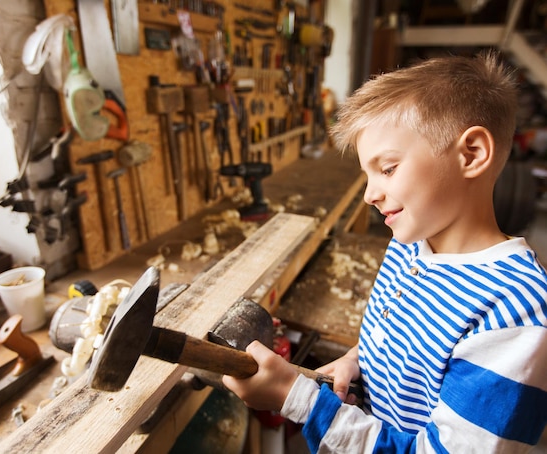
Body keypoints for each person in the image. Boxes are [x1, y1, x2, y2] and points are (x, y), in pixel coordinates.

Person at [223, 51, 547, 453]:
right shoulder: (410, 244)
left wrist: (297, 399)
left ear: (472, 154)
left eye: (388, 168)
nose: (369, 194)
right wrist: (359, 362)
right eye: (367, 173)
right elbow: (405, 342)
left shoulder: (514, 317)